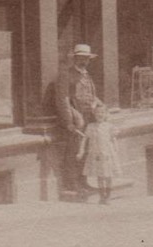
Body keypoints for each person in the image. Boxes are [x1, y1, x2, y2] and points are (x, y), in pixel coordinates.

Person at [53, 43, 100, 200]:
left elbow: (92, 95)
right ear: (75, 58)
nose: (84, 61)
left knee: (85, 150)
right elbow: (63, 99)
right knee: (74, 151)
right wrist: (70, 120)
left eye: (86, 58)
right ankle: (72, 184)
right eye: (81, 58)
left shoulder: (86, 75)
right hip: (76, 119)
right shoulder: (66, 74)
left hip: (89, 117)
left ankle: (83, 181)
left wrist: (99, 105)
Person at [80, 102, 125, 205]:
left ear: (105, 114)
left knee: (108, 174)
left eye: (102, 113)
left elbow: (113, 139)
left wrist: (116, 149)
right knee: (100, 175)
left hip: (107, 153)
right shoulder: (91, 126)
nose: (99, 115)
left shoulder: (109, 126)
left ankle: (108, 196)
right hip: (96, 153)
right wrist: (81, 150)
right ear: (94, 114)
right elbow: (85, 138)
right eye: (97, 113)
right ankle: (102, 196)